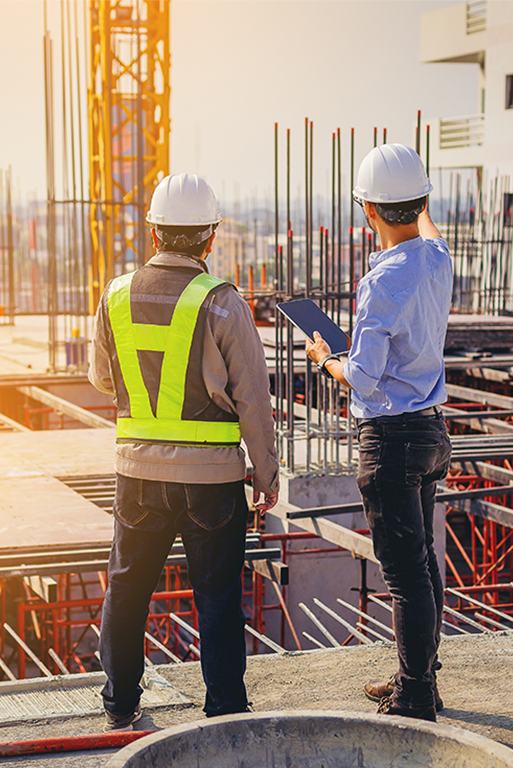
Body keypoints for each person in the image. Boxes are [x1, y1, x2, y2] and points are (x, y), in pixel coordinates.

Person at [88, 173, 279, 731]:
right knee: (217, 599)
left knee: (126, 589)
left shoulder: (115, 295)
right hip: (212, 481)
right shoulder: (222, 303)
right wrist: (265, 474)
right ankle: (223, 711)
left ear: (153, 233)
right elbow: (254, 400)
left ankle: (120, 705)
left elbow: (102, 377)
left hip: (137, 474)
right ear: (209, 237)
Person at [305, 144, 452, 722]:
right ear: (418, 204)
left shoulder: (382, 281)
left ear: (367, 211)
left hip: (390, 439)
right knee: (422, 563)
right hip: (430, 432)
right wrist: (416, 202)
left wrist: (324, 357)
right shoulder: (437, 259)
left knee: (406, 572)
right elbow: (429, 233)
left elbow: (363, 381)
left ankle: (415, 695)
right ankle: (420, 677)